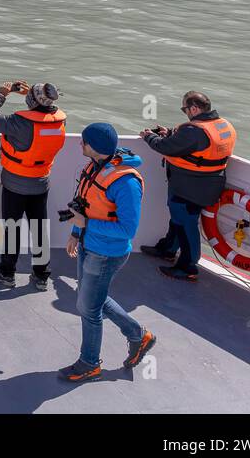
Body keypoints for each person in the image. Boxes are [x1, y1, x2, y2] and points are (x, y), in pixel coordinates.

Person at [58, 123, 157, 382]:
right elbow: (85, 206)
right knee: (90, 299)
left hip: (107, 253)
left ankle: (89, 363)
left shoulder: (126, 183)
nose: (80, 145)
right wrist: (76, 234)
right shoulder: (96, 166)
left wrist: (85, 225)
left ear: (95, 147)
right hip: (90, 245)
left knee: (88, 309)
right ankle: (138, 334)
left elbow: (127, 229)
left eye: (84, 142)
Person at [139, 90, 237, 282]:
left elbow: (166, 147)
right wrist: (170, 133)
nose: (185, 112)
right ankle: (168, 248)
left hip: (189, 186)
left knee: (186, 224)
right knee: (179, 219)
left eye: (185, 109)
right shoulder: (223, 125)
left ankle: (188, 266)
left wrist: (149, 137)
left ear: (194, 108)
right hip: (207, 183)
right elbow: (194, 145)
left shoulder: (194, 131)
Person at [0, 79, 66, 290]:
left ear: (31, 100)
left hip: (15, 184)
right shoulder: (60, 121)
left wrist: (3, 93)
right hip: (41, 183)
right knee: (39, 230)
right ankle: (41, 275)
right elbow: (44, 112)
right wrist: (33, 98)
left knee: (12, 229)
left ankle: (7, 273)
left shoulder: (19, 123)